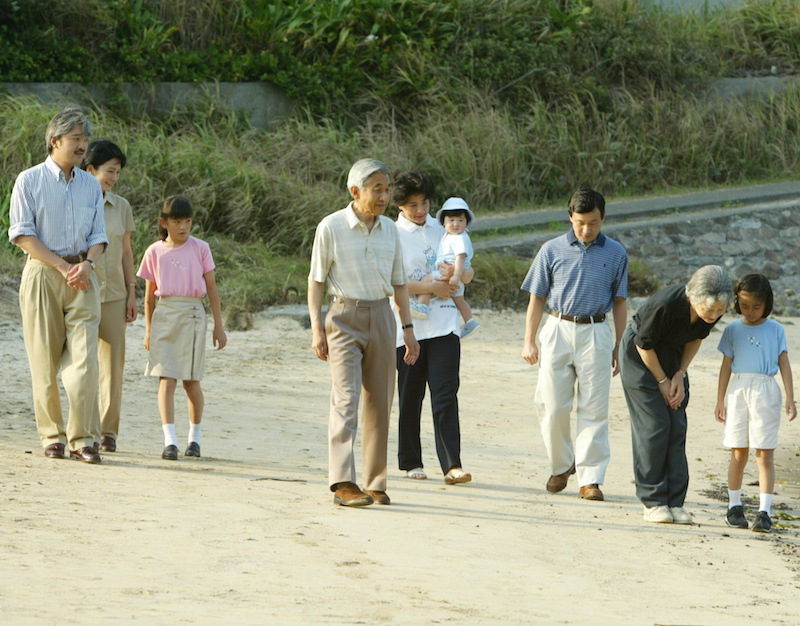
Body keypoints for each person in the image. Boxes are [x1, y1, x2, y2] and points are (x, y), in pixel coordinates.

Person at [308, 158, 420, 507]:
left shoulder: (390, 230)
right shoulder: (331, 227)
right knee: (346, 397)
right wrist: (316, 329)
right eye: (377, 189)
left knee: (380, 401)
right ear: (355, 191)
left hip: (382, 317)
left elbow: (399, 286)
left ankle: (375, 482)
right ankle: (342, 481)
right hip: (343, 317)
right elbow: (316, 281)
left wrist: (409, 330)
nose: (384, 196)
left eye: (387, 189)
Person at [8, 104, 107, 464]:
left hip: (84, 276)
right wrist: (61, 266)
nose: (82, 146)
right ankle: (53, 436)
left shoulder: (90, 186)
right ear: (55, 141)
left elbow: (100, 235)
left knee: (85, 361)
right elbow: (21, 233)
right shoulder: (28, 180)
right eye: (75, 139)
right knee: (44, 361)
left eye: (85, 139)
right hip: (43, 275)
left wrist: (88, 264)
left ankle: (83, 440)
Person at [521, 185, 628, 502]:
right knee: (552, 406)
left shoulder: (616, 253)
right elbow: (536, 297)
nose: (586, 229)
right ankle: (561, 464)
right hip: (557, 328)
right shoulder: (551, 250)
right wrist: (529, 340)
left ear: (603, 218)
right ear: (570, 218)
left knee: (594, 408)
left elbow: (620, 302)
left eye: (593, 222)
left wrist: (619, 346)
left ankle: (591, 478)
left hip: (597, 330)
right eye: (580, 222)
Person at [620, 265, 731, 524]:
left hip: (673, 357)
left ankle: (675, 501)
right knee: (655, 425)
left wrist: (680, 374)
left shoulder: (709, 314)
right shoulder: (665, 305)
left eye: (720, 311)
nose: (714, 315)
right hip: (640, 356)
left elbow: (696, 338)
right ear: (692, 296)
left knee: (677, 424)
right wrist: (661, 380)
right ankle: (653, 500)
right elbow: (643, 344)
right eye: (709, 309)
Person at [392, 172, 473, 485]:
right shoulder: (392, 233)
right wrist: (429, 286)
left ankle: (452, 464)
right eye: (412, 204)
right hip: (408, 327)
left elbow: (467, 270)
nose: (420, 209)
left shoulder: (445, 227)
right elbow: (391, 283)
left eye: (424, 202)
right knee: (410, 396)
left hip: (445, 325)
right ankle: (411, 460)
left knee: (445, 394)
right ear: (399, 205)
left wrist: (460, 275)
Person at [137, 195, 227, 460]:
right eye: (177, 221)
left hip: (193, 314)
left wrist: (218, 327)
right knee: (166, 378)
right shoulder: (154, 251)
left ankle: (194, 439)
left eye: (187, 221)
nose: (183, 227)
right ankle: (170, 441)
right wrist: (149, 330)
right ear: (164, 222)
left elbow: (212, 289)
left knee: (191, 381)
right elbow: (149, 296)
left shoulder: (201, 248)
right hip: (165, 313)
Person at [715, 273, 796, 533]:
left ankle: (764, 511)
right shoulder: (731, 330)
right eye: (745, 305)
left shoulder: (776, 329)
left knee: (765, 454)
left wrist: (791, 397)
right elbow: (725, 366)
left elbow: (784, 363)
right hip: (738, 391)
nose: (750, 311)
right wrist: (720, 399)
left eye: (756, 306)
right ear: (737, 301)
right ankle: (734, 507)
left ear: (767, 303)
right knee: (738, 452)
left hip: (766, 390)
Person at [81, 140, 137, 453]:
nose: (114, 178)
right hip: (83, 293)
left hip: (116, 294)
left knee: (113, 367)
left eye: (117, 173)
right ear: (91, 170)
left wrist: (132, 292)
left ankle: (108, 432)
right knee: (84, 363)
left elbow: (127, 252)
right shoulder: (76, 203)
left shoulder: (122, 206)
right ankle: (85, 430)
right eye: (109, 171)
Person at [410, 197, 479, 339]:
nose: (455, 224)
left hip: (448, 274)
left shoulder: (459, 238)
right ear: (443, 222)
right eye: (451, 220)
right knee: (460, 300)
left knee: (426, 279)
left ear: (466, 223)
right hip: (455, 277)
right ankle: (470, 321)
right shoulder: (450, 235)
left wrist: (455, 275)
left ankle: (422, 305)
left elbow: (460, 258)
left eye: (460, 220)